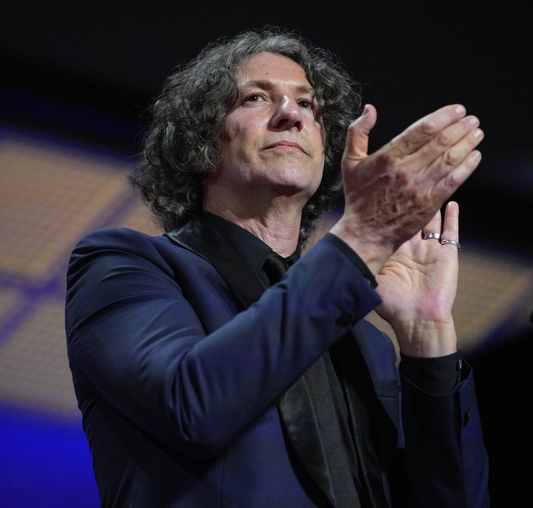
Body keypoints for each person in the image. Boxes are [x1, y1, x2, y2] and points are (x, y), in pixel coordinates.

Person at [66, 27, 490, 507]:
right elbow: (190, 408)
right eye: (255, 98)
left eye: (307, 105)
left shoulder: (365, 342)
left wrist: (427, 336)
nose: (290, 115)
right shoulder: (124, 265)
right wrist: (362, 238)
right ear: (200, 140)